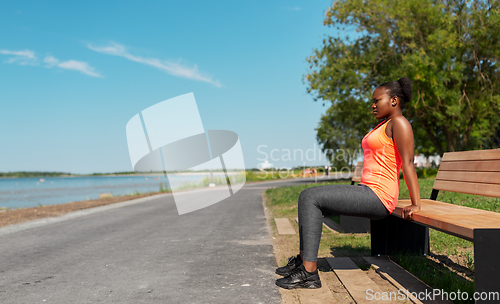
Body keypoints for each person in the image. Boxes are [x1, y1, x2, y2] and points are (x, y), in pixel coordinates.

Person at [275, 77, 421, 289]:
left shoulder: (400, 123)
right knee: (308, 196)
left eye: (377, 100)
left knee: (310, 197)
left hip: (379, 196)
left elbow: (408, 163)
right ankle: (303, 261)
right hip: (367, 191)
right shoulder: (383, 125)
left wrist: (416, 203)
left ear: (394, 101)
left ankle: (308, 273)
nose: (372, 105)